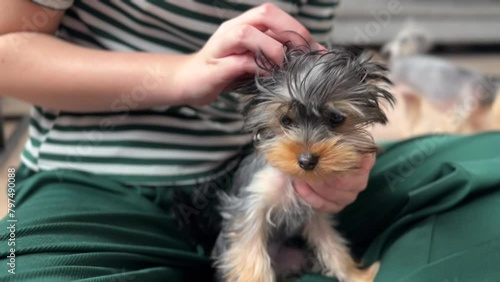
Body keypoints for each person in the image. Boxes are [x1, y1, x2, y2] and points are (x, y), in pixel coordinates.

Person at [1, 1, 500, 282]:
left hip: (256, 168)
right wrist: (182, 75)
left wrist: (349, 164)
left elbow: (310, 95)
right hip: (92, 185)